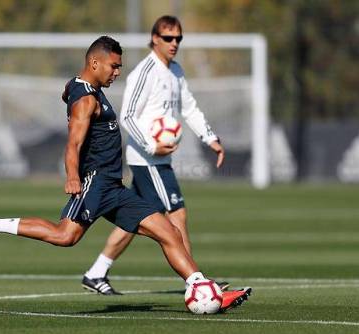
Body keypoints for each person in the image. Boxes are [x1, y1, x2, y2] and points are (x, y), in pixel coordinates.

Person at [0, 35, 249, 311]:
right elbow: (72, 144)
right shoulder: (87, 101)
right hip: (94, 184)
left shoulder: (84, 88)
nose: (117, 72)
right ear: (95, 63)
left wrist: (71, 89)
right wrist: (72, 176)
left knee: (168, 230)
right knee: (66, 236)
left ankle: (203, 288)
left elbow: (68, 90)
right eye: (114, 66)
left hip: (115, 187)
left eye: (120, 66)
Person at [81, 16, 251, 303]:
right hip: (147, 159)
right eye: (168, 38)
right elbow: (127, 116)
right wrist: (151, 145)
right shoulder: (145, 72)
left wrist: (210, 138)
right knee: (177, 217)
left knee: (134, 219)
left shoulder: (176, 71)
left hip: (159, 160)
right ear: (155, 38)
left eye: (179, 39)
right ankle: (198, 286)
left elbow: (190, 108)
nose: (174, 44)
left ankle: (97, 272)